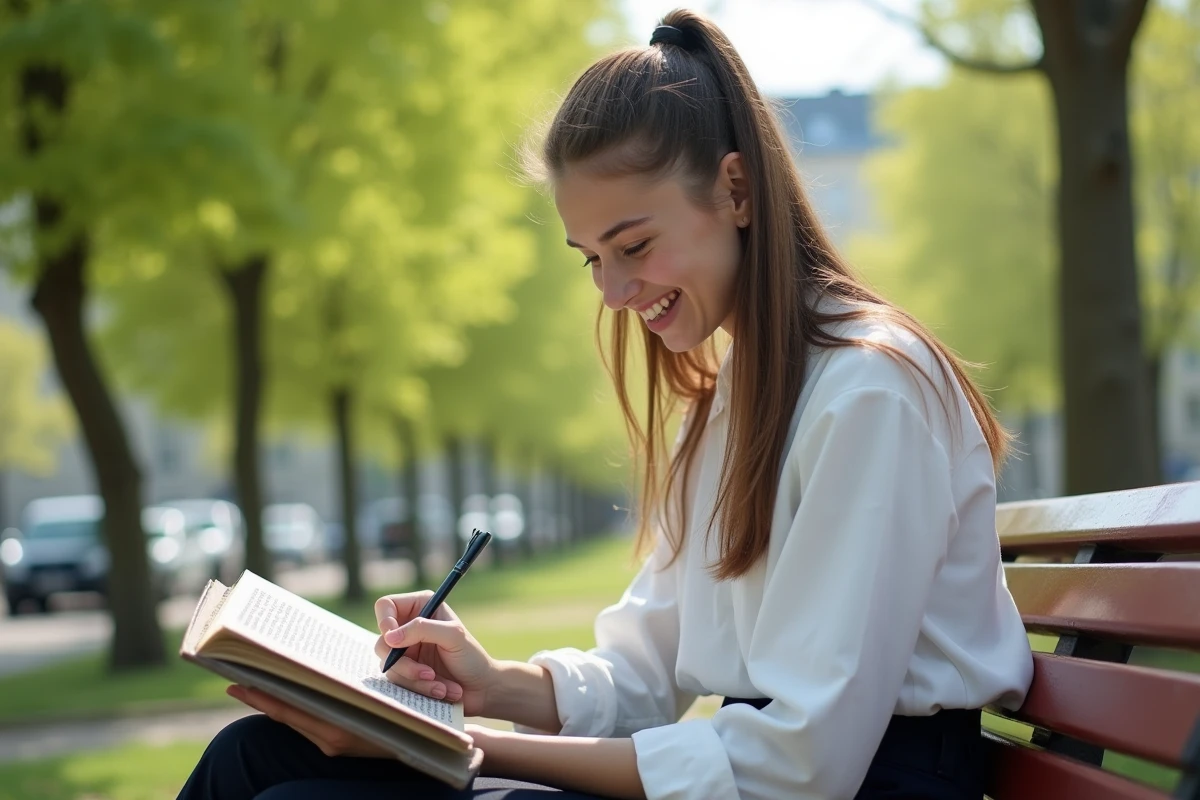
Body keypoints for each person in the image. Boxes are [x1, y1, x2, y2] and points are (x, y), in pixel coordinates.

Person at [178, 9, 1033, 800]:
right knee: (249, 756)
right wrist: (489, 684)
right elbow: (644, 673)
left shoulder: (868, 391)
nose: (616, 291)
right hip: (772, 775)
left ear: (736, 191)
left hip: (861, 786)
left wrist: (463, 743)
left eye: (635, 245)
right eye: (591, 257)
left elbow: (798, 767)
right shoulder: (739, 396)